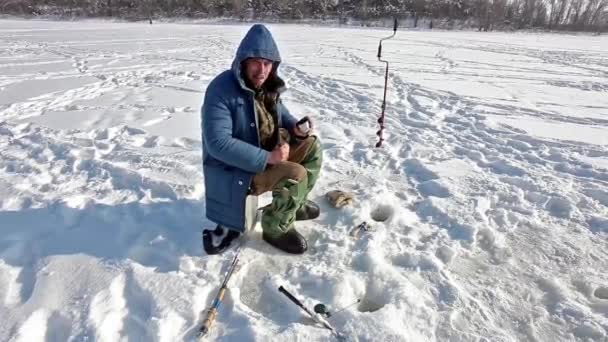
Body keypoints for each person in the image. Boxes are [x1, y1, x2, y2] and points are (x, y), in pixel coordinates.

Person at [201, 24, 323, 254]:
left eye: (267, 63)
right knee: (295, 174)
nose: (262, 70)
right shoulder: (220, 90)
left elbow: (281, 114)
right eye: (256, 62)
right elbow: (217, 143)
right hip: (237, 170)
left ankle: (292, 205)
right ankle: (275, 227)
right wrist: (268, 157)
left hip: (268, 155)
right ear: (243, 62)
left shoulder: (267, 87)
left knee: (312, 147)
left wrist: (296, 128)